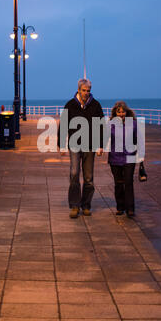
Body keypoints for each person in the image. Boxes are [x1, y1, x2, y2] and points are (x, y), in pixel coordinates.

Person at [57, 79, 104, 218]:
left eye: (88, 90)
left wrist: (101, 145)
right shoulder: (70, 105)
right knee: (74, 173)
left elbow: (101, 126)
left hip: (90, 146)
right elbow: (63, 125)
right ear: (78, 90)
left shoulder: (95, 105)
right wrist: (61, 144)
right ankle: (74, 206)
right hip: (74, 145)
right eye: (84, 90)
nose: (86, 93)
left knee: (89, 177)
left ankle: (86, 205)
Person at [108, 101, 138, 218]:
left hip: (129, 157)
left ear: (127, 112)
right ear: (115, 113)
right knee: (118, 184)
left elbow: (137, 139)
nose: (121, 114)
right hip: (115, 158)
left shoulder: (134, 124)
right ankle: (120, 207)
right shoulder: (111, 124)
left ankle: (130, 209)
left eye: (123, 112)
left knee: (129, 182)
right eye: (119, 112)